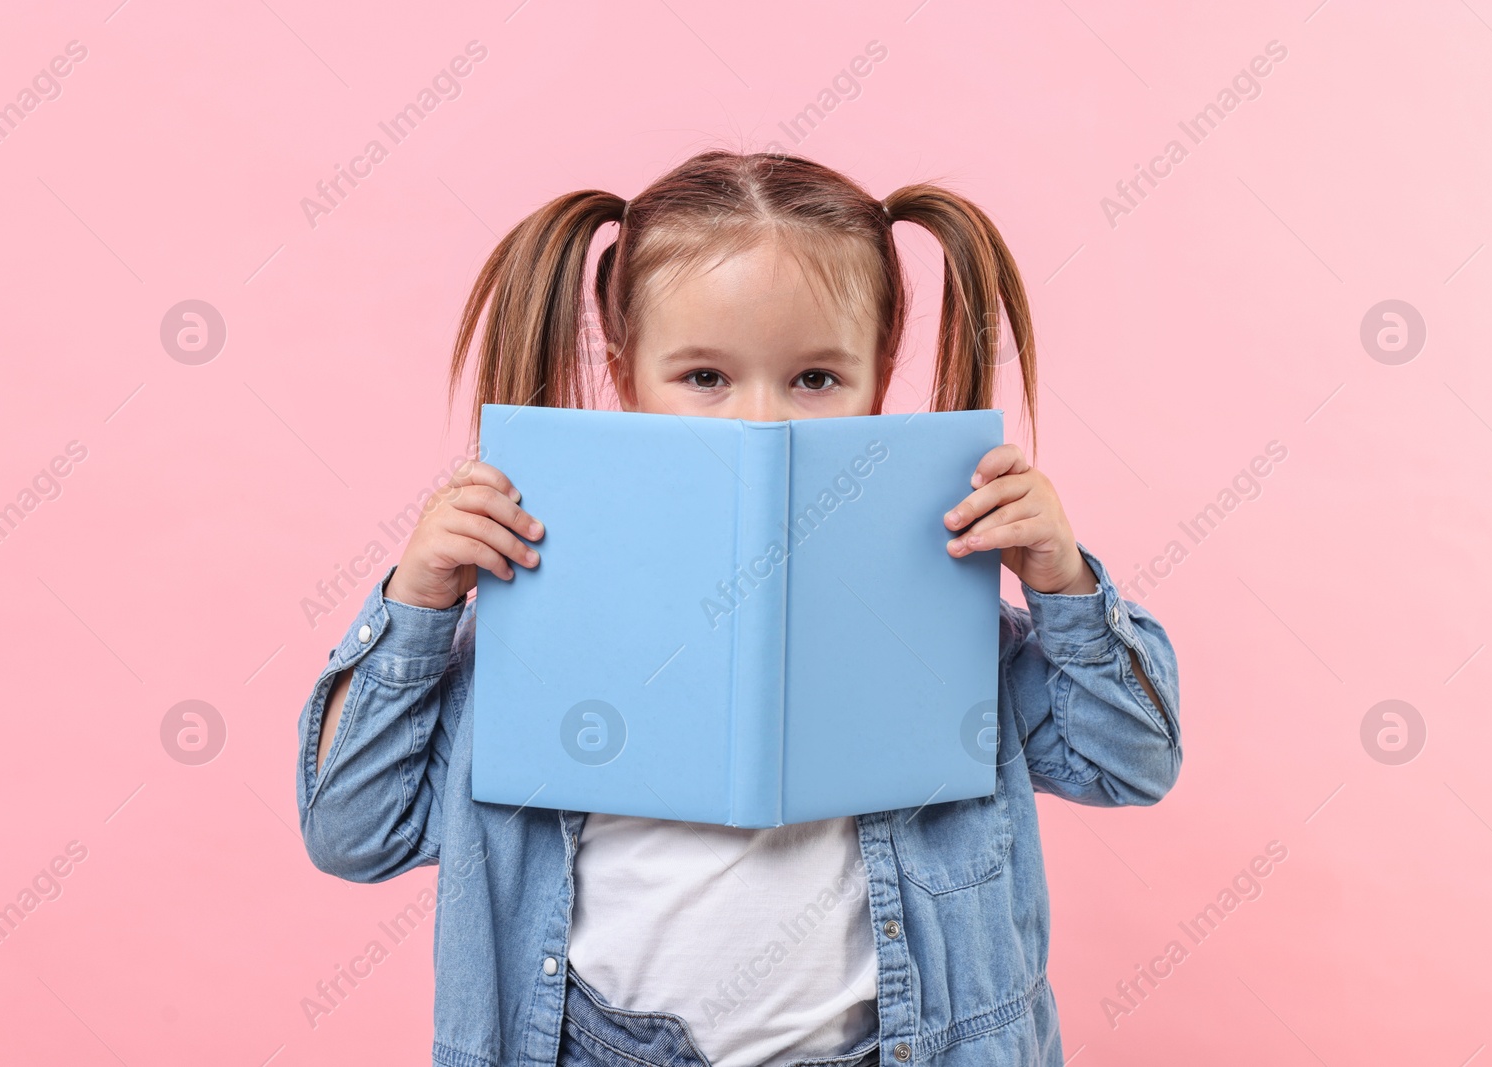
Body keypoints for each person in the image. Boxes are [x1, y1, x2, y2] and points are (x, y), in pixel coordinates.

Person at [294, 148, 1181, 1067]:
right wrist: (418, 605)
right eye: (706, 377)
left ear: (879, 378)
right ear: (627, 375)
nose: (761, 423)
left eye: (814, 379)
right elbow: (355, 829)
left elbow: (1131, 761)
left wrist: (1063, 581)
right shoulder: (531, 632)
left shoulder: (949, 627)